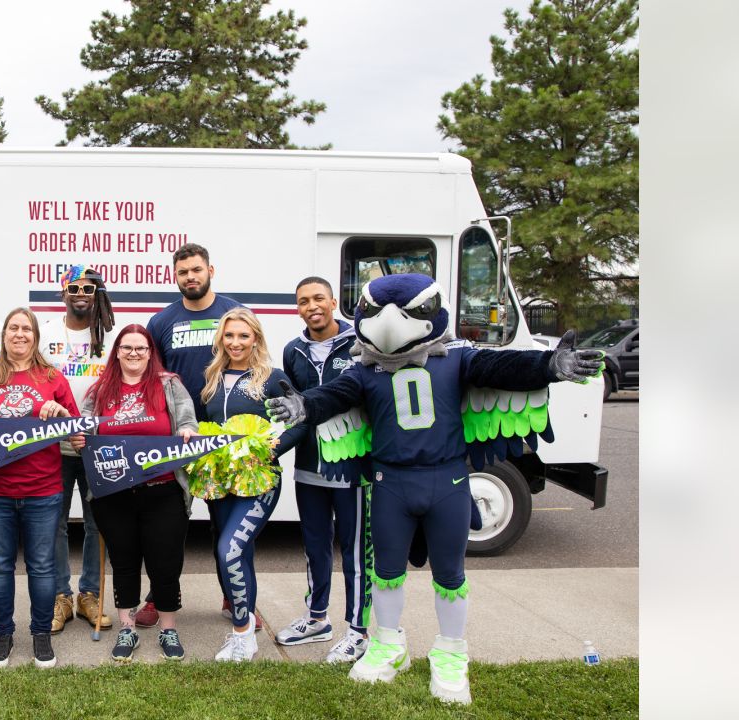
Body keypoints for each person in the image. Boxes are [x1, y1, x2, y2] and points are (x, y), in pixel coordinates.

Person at [265, 273, 604, 703]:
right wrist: (304, 405)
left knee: (450, 575)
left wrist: (548, 366)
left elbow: (500, 366)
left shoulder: (457, 357)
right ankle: (388, 644)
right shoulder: (364, 370)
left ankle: (450, 652)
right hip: (389, 484)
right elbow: (331, 395)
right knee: (385, 572)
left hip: (448, 481)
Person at [0, 308, 79, 668]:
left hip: (43, 490)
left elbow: (76, 431)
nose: (20, 334)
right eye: (14, 328)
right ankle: (5, 634)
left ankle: (40, 635)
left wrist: (61, 412)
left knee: (42, 567)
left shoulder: (53, 378)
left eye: (27, 329)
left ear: (36, 337)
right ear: (4, 335)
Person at [70, 324, 197, 663]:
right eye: (127, 348)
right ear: (118, 351)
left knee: (165, 562)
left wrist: (186, 430)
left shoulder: (169, 385)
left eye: (141, 349)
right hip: (115, 492)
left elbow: (188, 421)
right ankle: (127, 627)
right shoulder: (100, 390)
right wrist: (80, 436)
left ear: (150, 352)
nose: (134, 354)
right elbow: (84, 425)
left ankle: (168, 629)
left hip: (164, 490)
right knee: (124, 561)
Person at [139, 242, 244, 628]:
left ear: (210, 271)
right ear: (175, 276)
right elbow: (153, 380)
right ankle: (158, 596)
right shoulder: (161, 322)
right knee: (167, 524)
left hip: (221, 436)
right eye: (183, 272)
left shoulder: (234, 314)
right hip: (177, 437)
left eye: (196, 270)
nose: (190, 277)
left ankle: (235, 595)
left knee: (225, 523)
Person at [275, 277, 372, 663]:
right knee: (315, 547)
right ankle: (317, 619)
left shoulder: (360, 344)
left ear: (334, 302)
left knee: (354, 552)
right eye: (303, 301)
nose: (312, 306)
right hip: (309, 466)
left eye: (318, 298)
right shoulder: (292, 351)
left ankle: (359, 630)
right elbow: (295, 410)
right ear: (297, 308)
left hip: (352, 468)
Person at [200, 307, 304, 662]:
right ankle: (244, 631)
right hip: (221, 483)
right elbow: (205, 426)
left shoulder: (273, 378)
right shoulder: (212, 379)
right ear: (221, 340)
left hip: (259, 481)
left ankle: (243, 635)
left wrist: (275, 447)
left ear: (255, 338)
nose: (235, 342)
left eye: (243, 335)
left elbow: (301, 420)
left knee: (228, 550)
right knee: (234, 554)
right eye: (229, 336)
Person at [38, 265, 114, 634]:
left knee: (96, 524)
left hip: (97, 444)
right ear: (62, 291)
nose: (81, 292)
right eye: (75, 286)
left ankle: (89, 595)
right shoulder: (46, 333)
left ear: (97, 292)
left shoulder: (111, 335)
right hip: (54, 445)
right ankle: (60, 597)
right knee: (54, 525)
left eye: (89, 287)